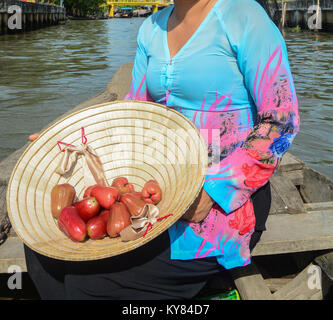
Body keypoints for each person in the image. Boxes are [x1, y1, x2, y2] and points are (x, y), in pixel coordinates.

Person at [25, 0, 299, 299]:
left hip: (223, 204)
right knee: (42, 252)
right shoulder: (151, 28)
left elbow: (282, 121)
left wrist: (213, 191)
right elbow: (136, 112)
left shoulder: (243, 16)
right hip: (160, 190)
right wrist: (70, 138)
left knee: (90, 287)